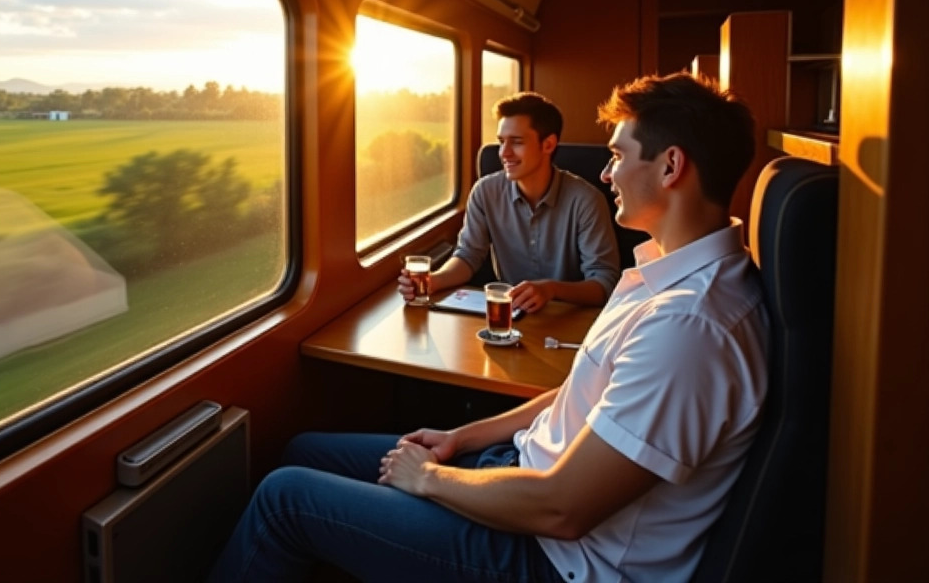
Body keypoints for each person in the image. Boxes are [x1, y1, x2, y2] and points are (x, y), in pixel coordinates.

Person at [207, 73, 766, 583]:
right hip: (526, 468)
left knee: (284, 500)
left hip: (555, 558)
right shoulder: (661, 275)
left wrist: (427, 478)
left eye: (618, 155)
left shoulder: (691, 327)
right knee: (305, 450)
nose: (607, 170)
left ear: (670, 167)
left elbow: (562, 508)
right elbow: (575, 395)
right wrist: (460, 439)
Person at [399, 91, 619, 313]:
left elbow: (604, 284)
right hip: (507, 315)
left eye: (516, 142)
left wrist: (551, 290)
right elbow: (467, 257)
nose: (504, 153)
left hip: (567, 317)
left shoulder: (586, 201)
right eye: (501, 141)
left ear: (548, 144)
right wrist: (432, 281)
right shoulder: (484, 192)